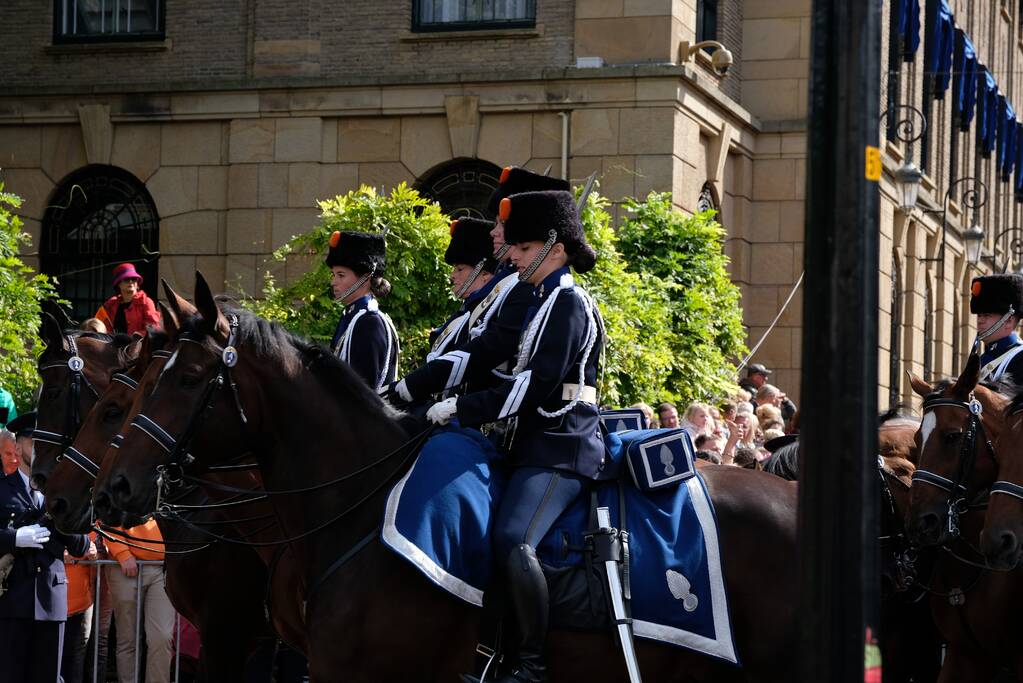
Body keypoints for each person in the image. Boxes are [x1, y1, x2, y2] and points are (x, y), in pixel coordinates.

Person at [425, 190, 604, 683]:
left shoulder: (569, 302)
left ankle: (530, 663)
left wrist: (460, 408)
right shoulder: (546, 300)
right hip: (533, 443)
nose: (515, 258)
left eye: (524, 250)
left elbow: (533, 385)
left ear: (556, 247)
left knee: (513, 539)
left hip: (563, 445)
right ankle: (487, 651)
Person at [387, 166, 569, 405]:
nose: (493, 232)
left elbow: (494, 351)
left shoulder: (539, 291)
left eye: (502, 224)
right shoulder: (511, 283)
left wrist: (454, 404)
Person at [0, 414, 90, 683]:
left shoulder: (63, 492)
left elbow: (81, 545)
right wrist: (14, 538)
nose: (40, 447)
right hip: (12, 599)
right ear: (17, 447)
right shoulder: (2, 490)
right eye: (33, 441)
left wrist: (61, 515)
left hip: (51, 600)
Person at [326, 229, 400, 390]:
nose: (333, 282)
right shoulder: (353, 316)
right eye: (333, 275)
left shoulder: (369, 322)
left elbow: (362, 390)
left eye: (341, 275)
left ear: (366, 278)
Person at [104, 518, 176, 683]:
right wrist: (122, 552)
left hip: (163, 568)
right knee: (127, 639)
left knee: (162, 636)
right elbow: (108, 513)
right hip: (126, 567)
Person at [424, 218, 498, 366]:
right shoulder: (468, 310)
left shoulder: (489, 314)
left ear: (485, 274)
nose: (452, 275)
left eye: (460, 269)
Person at [970, 273, 1023, 384]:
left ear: (1008, 321)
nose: (980, 320)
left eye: (987, 315)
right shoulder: (982, 360)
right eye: (979, 315)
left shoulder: (1019, 358)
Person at [95, 263, 161, 337]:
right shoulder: (111, 304)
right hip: (113, 345)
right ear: (118, 284)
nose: (131, 282)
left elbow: (153, 328)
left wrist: (135, 337)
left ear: (137, 283)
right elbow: (100, 326)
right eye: (126, 279)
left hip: (137, 346)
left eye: (134, 279)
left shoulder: (146, 302)